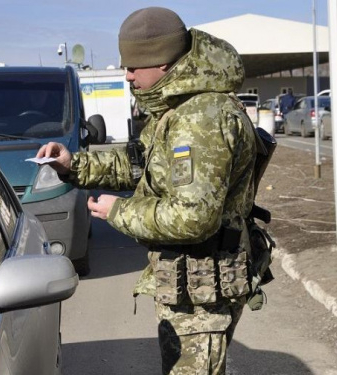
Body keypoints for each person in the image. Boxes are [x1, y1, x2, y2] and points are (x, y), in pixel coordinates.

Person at [36, 7, 257, 374]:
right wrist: (73, 165)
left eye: (135, 66)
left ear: (165, 64)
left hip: (203, 292)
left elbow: (193, 218)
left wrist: (118, 212)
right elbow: (139, 165)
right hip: (189, 285)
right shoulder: (175, 109)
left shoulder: (200, 119)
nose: (127, 75)